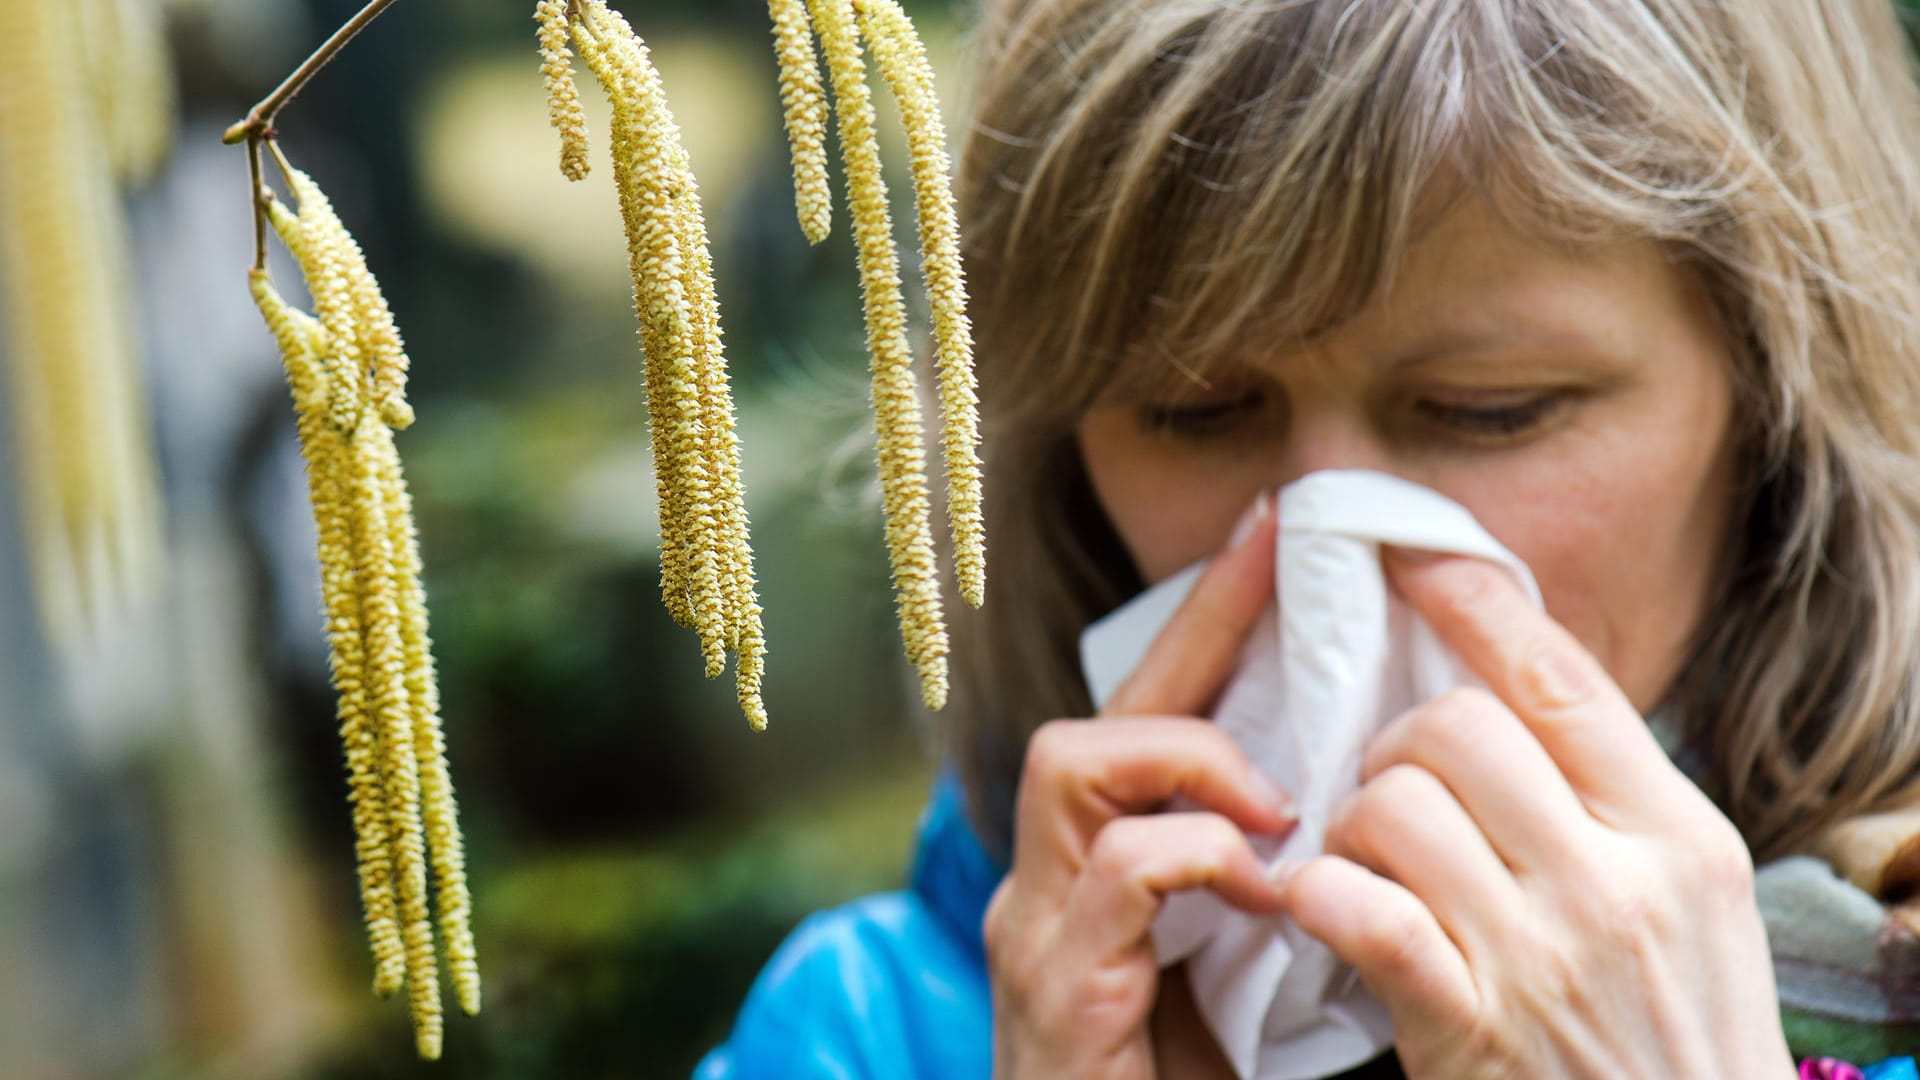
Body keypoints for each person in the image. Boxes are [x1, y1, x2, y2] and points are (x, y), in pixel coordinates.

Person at [700, 0, 1920, 1075]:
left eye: (1491, 412)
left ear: (1775, 400)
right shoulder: (870, 1034)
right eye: (1195, 413)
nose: (1321, 549)